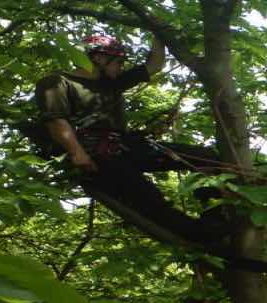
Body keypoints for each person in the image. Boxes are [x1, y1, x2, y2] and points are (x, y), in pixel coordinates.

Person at [34, 34, 226, 244]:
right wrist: (77, 154)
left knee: (206, 158)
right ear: (98, 58)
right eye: (118, 62)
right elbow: (56, 121)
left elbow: (154, 65)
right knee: (149, 198)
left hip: (125, 146)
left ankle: (215, 213)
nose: (121, 67)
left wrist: (158, 34)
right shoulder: (56, 83)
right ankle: (202, 236)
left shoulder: (111, 83)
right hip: (96, 156)